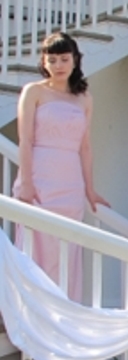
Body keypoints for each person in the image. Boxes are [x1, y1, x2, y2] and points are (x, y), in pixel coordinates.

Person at [13, 32, 109, 304]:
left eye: (64, 59)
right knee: (36, 247)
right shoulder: (34, 91)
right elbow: (26, 139)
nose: (58, 65)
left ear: (75, 60)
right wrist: (28, 182)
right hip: (40, 175)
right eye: (52, 59)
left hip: (70, 182)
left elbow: (85, 147)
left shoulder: (84, 98)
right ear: (44, 61)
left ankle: (62, 313)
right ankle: (31, 310)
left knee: (66, 250)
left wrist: (90, 189)